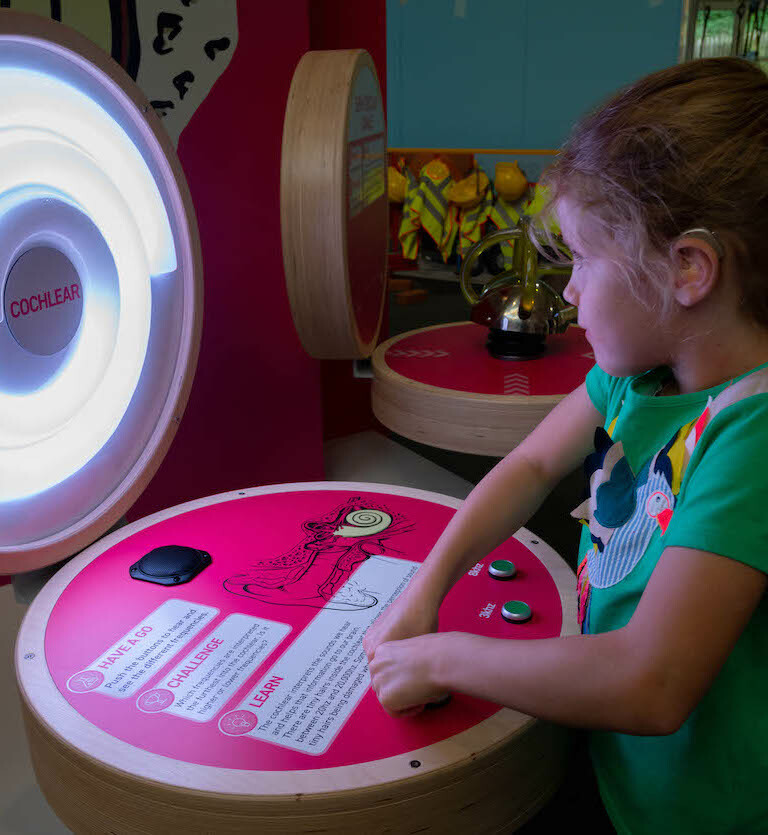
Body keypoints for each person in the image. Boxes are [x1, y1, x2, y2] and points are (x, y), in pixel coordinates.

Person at [363, 57, 768, 835]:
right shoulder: (639, 376)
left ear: (689, 268)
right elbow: (530, 465)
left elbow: (652, 681)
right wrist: (424, 592)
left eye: (584, 259)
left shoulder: (751, 431)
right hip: (612, 761)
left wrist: (439, 657)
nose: (571, 291)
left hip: (694, 810)